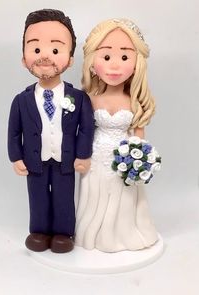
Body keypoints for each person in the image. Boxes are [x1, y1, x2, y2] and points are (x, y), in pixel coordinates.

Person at [8, 9, 94, 253]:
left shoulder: (79, 98)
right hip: (35, 159)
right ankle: (39, 230)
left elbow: (86, 129)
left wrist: (83, 155)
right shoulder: (21, 100)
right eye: (35, 49)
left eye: (55, 50)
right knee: (37, 197)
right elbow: (14, 131)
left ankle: (63, 232)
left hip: (65, 160)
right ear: (24, 58)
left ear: (70, 58)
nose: (45, 56)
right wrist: (15, 157)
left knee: (64, 197)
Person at [75, 19, 158, 252]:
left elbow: (139, 136)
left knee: (123, 198)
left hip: (123, 159)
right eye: (106, 57)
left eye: (124, 57)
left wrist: (140, 159)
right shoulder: (89, 99)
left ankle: (122, 235)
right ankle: (93, 235)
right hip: (94, 156)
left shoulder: (134, 102)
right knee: (95, 196)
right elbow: (81, 129)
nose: (114, 67)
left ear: (136, 63)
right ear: (93, 62)